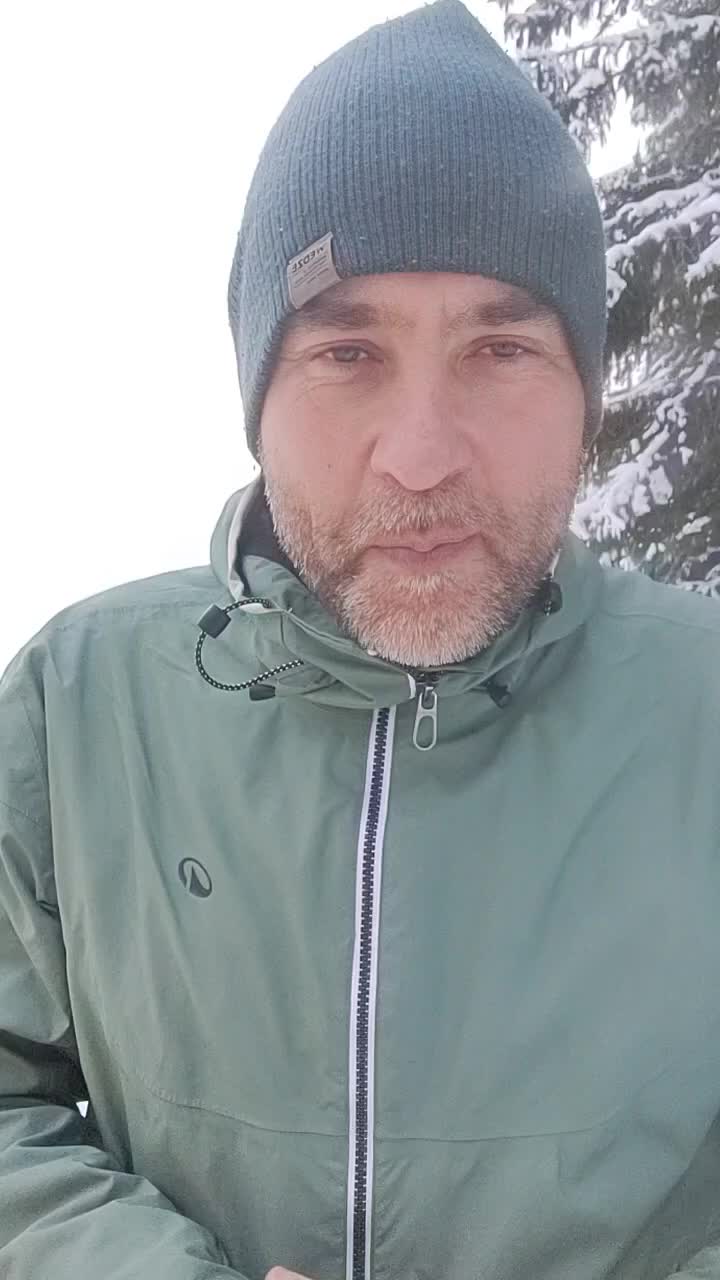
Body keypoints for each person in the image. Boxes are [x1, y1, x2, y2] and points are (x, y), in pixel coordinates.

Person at [1, 1, 719, 1277]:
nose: (423, 454)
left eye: (502, 348)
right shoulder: (77, 706)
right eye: (346, 351)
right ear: (257, 397)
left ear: (586, 397)